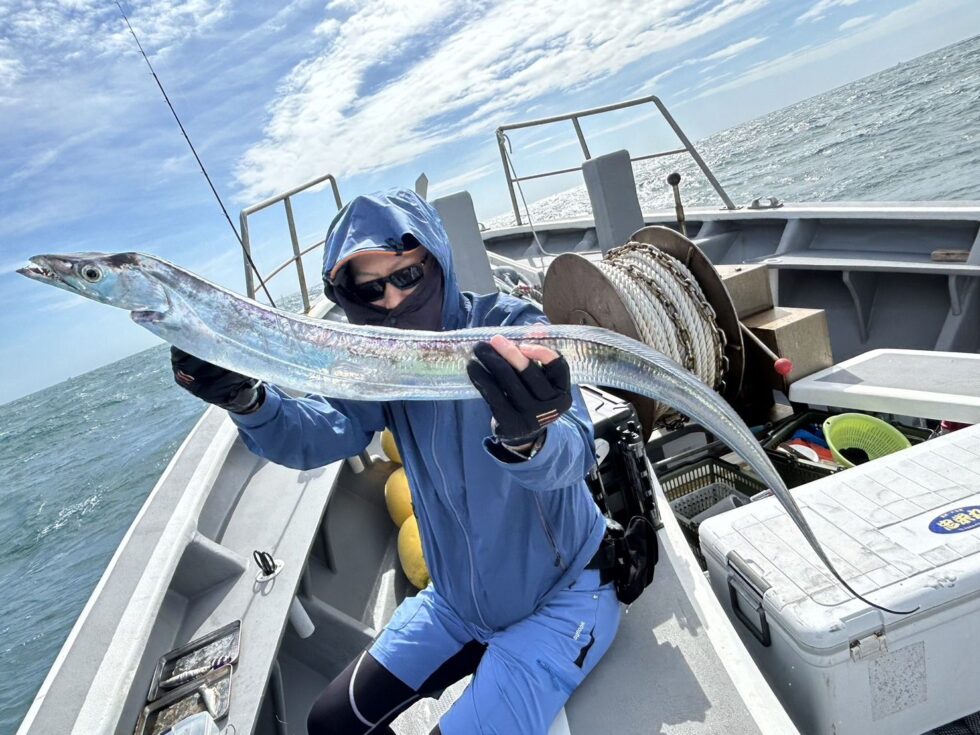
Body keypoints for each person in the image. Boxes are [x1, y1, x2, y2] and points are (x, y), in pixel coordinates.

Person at [171, 188, 621, 734]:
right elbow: (322, 432)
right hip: (457, 602)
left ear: (434, 259)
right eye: (370, 289)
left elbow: (573, 455)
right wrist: (248, 402)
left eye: (406, 276)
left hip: (564, 596)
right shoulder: (378, 363)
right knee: (330, 725)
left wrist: (531, 436)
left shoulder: (508, 326)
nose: (389, 300)